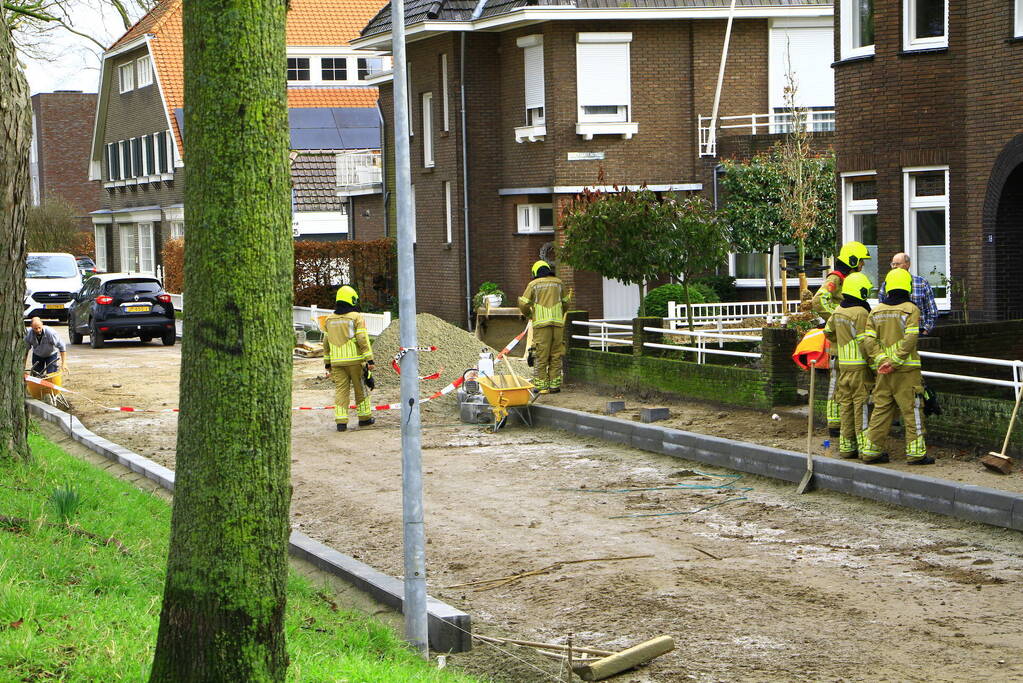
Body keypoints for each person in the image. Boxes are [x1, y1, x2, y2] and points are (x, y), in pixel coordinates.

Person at [859, 269, 933, 465]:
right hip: (906, 372)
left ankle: (871, 452)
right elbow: (911, 338)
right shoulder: (911, 309)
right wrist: (896, 361)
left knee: (881, 410)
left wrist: (882, 360)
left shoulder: (876, 311)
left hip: (882, 372)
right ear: (907, 286)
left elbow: (868, 340)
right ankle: (916, 454)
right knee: (912, 410)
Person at [812, 241, 871, 436]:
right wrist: (837, 319)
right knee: (836, 384)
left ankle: (840, 424)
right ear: (853, 260)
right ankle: (834, 424)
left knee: (842, 386)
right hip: (839, 342)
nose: (862, 265)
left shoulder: (849, 279)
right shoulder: (836, 278)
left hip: (847, 341)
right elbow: (819, 300)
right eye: (861, 261)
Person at [822, 272, 874, 459]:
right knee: (860, 407)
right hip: (859, 368)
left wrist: (842, 341)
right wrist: (874, 364)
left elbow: (827, 332)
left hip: (843, 366)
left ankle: (846, 447)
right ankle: (863, 447)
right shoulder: (860, 312)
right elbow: (865, 342)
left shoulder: (838, 311)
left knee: (845, 406)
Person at [323, 286, 374, 432]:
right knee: (360, 390)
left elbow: (326, 343)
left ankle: (341, 422)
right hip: (355, 361)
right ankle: (364, 419)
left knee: (341, 391)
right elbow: (362, 339)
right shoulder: (356, 317)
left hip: (337, 363)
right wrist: (369, 360)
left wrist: (327, 364)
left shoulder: (328, 320)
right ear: (352, 299)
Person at [518, 260, 569, 394]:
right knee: (556, 354)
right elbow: (566, 303)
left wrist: (529, 314)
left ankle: (541, 386)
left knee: (541, 355)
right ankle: (554, 386)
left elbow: (523, 304)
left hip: (541, 326)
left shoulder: (533, 284)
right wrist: (559, 314)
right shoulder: (559, 283)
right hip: (558, 325)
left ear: (535, 272)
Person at [877, 252, 939, 334]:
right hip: (894, 332)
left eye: (897, 264)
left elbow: (932, 310)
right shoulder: (887, 283)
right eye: (893, 264)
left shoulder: (921, 282)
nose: (894, 267)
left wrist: (925, 330)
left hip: (918, 331)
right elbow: (882, 308)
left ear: (907, 265)